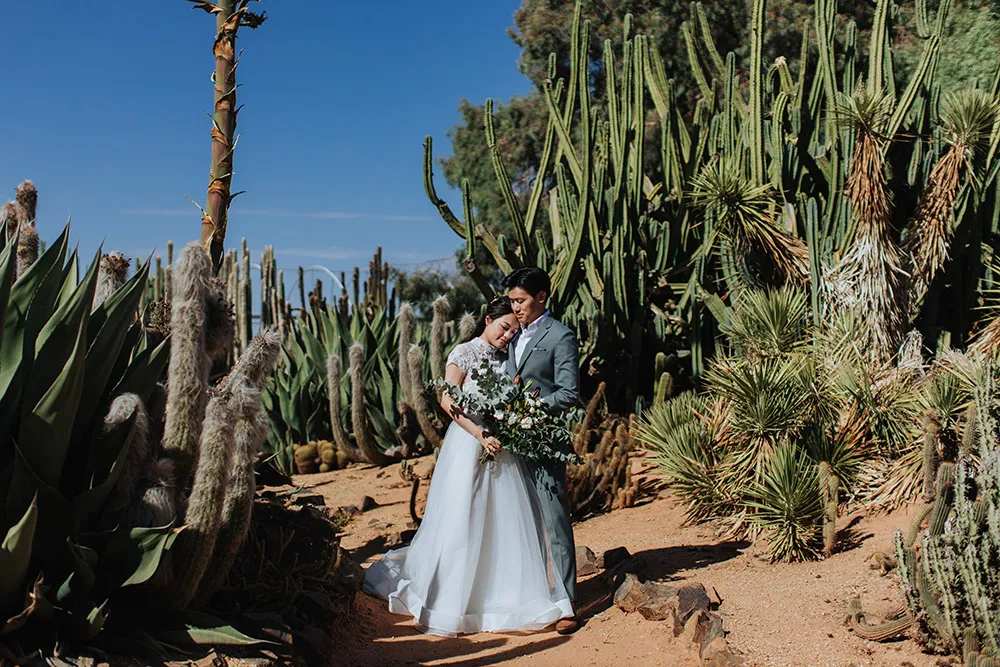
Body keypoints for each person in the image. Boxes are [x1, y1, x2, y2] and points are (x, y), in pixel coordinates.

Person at [362, 295, 574, 637]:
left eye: (513, 332)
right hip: (470, 442)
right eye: (504, 328)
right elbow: (448, 400)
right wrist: (480, 433)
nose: (507, 336)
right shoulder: (464, 352)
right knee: (465, 516)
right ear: (488, 319)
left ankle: (499, 595)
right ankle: (452, 598)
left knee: (502, 521)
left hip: (501, 445)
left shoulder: (505, 358)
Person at [502, 266, 581, 635]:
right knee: (520, 520)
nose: (515, 307)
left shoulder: (561, 335)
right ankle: (531, 595)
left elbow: (568, 392)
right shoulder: (511, 334)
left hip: (545, 439)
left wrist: (531, 409)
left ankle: (567, 603)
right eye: (512, 301)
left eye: (521, 300)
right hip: (510, 442)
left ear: (542, 297)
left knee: (554, 520)